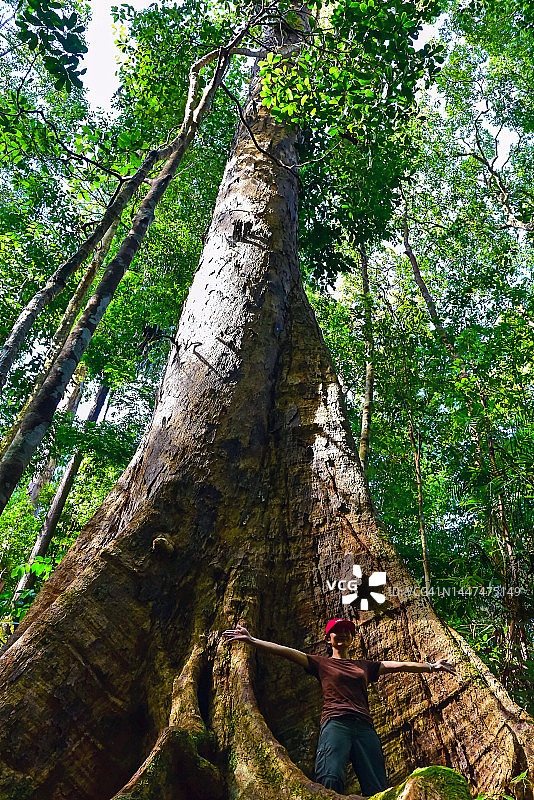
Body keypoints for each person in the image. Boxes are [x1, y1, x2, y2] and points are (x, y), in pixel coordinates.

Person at [222, 618, 456, 797]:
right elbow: (286, 651)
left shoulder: (364, 666)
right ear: (328, 638)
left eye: (347, 632)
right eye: (337, 631)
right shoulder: (320, 663)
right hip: (336, 724)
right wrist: (252, 640)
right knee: (330, 777)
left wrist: (431, 666)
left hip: (365, 727)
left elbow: (399, 665)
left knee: (377, 785)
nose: (343, 634)